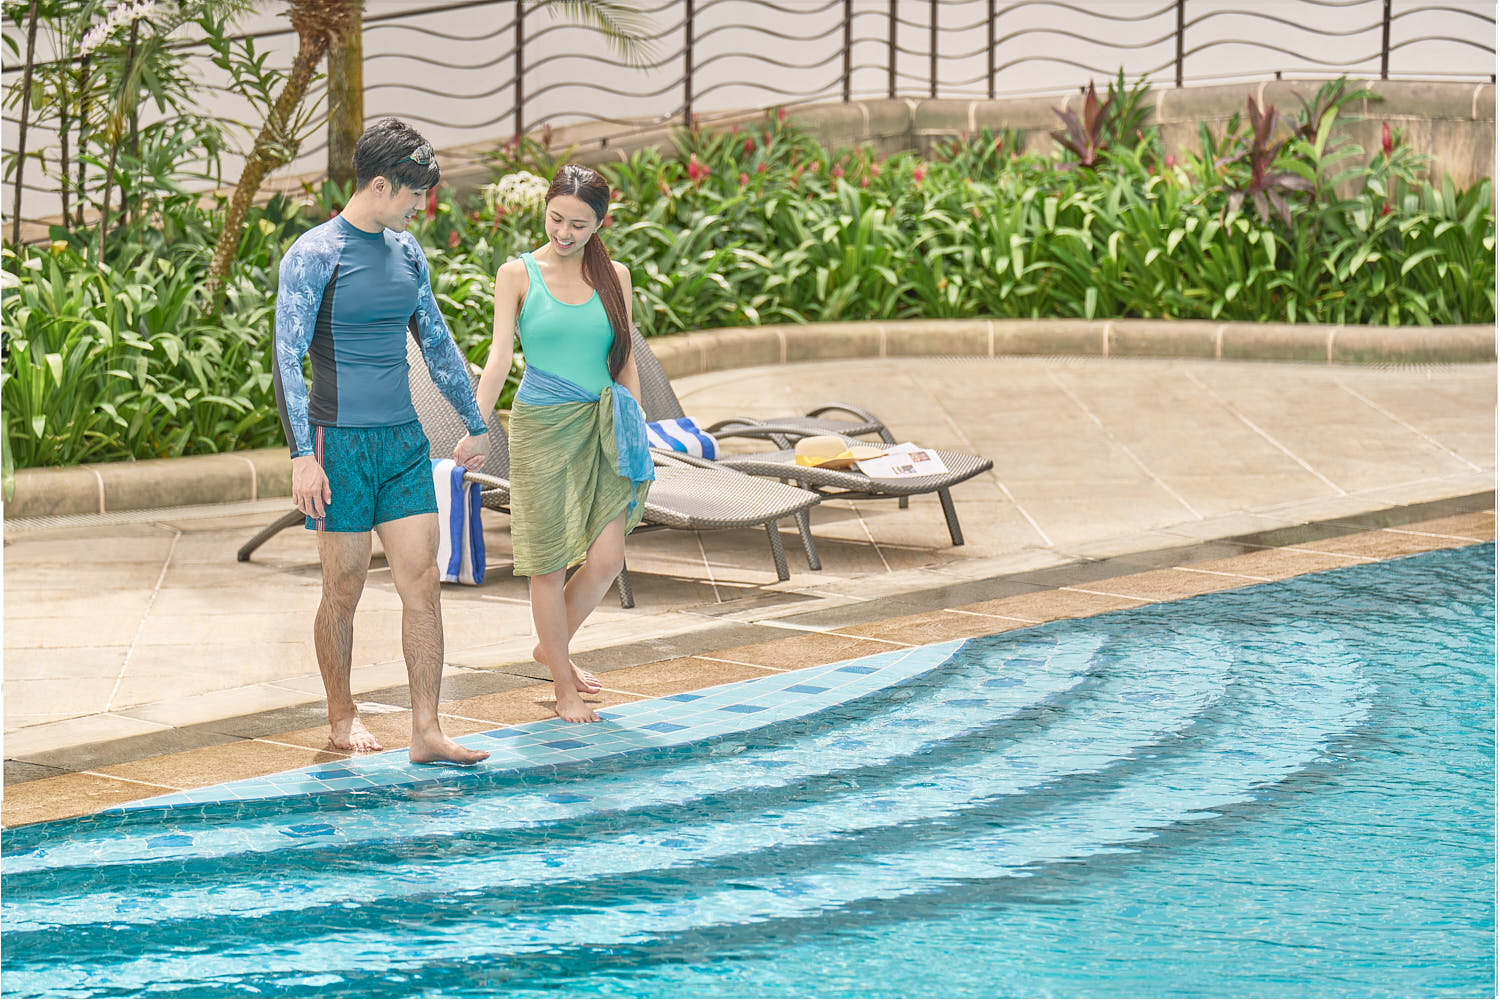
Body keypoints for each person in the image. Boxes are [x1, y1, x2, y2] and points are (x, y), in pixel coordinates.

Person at [273, 117, 489, 765]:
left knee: (421, 580)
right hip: (338, 445)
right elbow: (286, 359)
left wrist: (474, 422)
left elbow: (437, 342)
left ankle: (427, 729)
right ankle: (342, 716)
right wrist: (302, 456)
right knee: (344, 588)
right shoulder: (314, 254)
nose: (421, 204)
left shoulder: (407, 253)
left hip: (401, 444)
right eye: (414, 192)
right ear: (378, 185)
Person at [475, 164, 654, 723]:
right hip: (542, 428)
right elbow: (499, 357)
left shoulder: (615, 276)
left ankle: (550, 647)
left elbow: (625, 361)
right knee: (547, 564)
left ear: (600, 223)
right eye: (556, 219)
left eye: (579, 224)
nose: (564, 232)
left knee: (607, 558)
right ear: (545, 210)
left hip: (604, 426)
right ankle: (562, 684)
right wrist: (476, 425)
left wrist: (637, 428)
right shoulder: (517, 274)